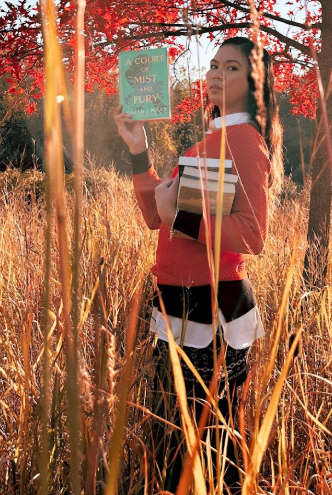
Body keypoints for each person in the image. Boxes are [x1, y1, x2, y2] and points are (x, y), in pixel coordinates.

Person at [114, 36, 283, 493]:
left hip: (211, 308)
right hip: (176, 304)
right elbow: (157, 217)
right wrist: (139, 149)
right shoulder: (208, 141)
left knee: (206, 450)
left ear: (254, 83)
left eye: (230, 68)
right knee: (172, 441)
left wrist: (179, 216)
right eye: (213, 65)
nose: (214, 74)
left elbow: (252, 235)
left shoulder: (245, 141)